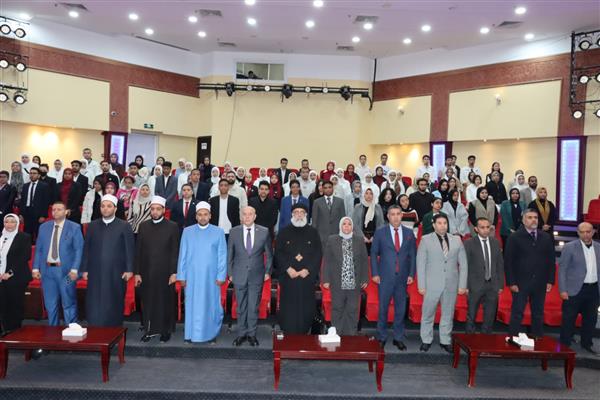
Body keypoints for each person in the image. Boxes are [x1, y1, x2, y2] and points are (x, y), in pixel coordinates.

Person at [81, 194, 135, 326]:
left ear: (115, 209)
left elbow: (130, 249)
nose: (105, 209)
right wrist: (85, 269)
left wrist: (129, 269)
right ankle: (95, 328)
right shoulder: (92, 226)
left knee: (114, 300)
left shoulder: (124, 226)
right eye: (103, 206)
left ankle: (113, 330)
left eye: (109, 206)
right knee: (94, 301)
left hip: (116, 272)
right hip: (95, 271)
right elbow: (86, 248)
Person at [177, 201, 227, 343]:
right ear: (196, 216)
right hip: (192, 276)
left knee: (211, 304)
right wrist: (181, 275)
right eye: (200, 214)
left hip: (211, 277)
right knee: (192, 304)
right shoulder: (187, 232)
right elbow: (182, 254)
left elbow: (222, 255)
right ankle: (190, 334)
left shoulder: (218, 232)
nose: (203, 217)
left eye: (205, 214)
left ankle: (211, 334)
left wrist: (221, 275)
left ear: (210, 216)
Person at [417, 214, 468, 353]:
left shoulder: (457, 240)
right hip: (431, 284)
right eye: (439, 223)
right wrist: (421, 285)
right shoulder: (425, 240)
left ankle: (445, 340)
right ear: (434, 225)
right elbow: (420, 264)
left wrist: (462, 285)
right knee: (428, 313)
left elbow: (463, 264)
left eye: (445, 223)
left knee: (448, 314)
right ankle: (426, 340)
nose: (442, 226)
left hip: (451, 284)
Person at [134, 196, 180, 343]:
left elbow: (175, 251)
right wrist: (137, 272)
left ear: (163, 210)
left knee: (165, 302)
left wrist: (174, 272)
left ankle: (165, 331)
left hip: (166, 272)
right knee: (148, 301)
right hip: (146, 271)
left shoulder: (172, 226)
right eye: (152, 209)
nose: (155, 212)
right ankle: (149, 330)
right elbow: (138, 250)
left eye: (158, 209)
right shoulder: (143, 226)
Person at [370, 205, 416, 349]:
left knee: (400, 309)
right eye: (392, 214)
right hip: (384, 277)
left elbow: (412, 255)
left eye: (398, 214)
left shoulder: (409, 233)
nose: (395, 217)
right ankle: (381, 336)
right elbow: (373, 254)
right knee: (383, 308)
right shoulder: (380, 232)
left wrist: (411, 274)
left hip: (402, 277)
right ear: (388, 216)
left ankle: (398, 337)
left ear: (402, 215)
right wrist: (375, 273)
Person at [504, 208, 555, 338]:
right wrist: (511, 282)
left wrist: (550, 280)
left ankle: (537, 339)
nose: (533, 220)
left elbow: (551, 260)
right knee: (517, 312)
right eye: (530, 217)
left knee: (538, 313)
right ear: (523, 220)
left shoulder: (546, 237)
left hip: (540, 282)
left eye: (536, 218)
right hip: (520, 283)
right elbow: (508, 262)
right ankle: (513, 338)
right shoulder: (514, 237)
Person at [32, 201, 83, 326]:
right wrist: (35, 268)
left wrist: (75, 269)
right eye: (53, 209)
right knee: (50, 304)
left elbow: (79, 250)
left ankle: (71, 329)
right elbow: (39, 249)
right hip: (47, 272)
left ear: (66, 212)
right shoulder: (44, 227)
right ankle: (52, 331)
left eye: (59, 209)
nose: (55, 212)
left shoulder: (74, 227)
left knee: (68, 302)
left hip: (67, 273)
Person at [228, 206, 273, 346]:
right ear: (241, 216)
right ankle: (241, 334)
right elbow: (229, 254)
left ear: (255, 216)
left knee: (253, 306)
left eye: (250, 214)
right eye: (244, 214)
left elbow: (269, 254)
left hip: (257, 275)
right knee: (240, 307)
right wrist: (230, 273)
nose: (247, 217)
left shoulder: (264, 231)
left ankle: (252, 335)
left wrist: (267, 272)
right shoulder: (234, 232)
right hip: (238, 274)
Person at [274, 203, 322, 333]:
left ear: (306, 215)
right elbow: (278, 253)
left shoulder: (313, 232)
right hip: (289, 277)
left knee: (306, 308)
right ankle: (288, 332)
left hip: (306, 277)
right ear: (292, 214)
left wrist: (308, 270)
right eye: (296, 212)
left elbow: (318, 253)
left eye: (302, 212)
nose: (299, 215)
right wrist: (288, 269)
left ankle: (305, 331)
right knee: (289, 308)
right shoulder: (284, 232)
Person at [322, 217, 368, 335]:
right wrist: (326, 279)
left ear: (352, 227)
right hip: (337, 281)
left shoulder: (359, 240)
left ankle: (351, 335)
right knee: (337, 308)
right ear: (340, 226)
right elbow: (327, 261)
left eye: (349, 224)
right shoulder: (332, 240)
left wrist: (364, 278)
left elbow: (364, 260)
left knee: (352, 309)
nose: (346, 226)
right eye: (344, 224)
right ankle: (336, 334)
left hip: (354, 281)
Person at [558, 222, 599, 354]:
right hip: (574, 289)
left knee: (591, 319)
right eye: (582, 232)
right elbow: (562, 270)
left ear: (593, 232)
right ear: (578, 233)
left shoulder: (598, 247)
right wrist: (563, 290)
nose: (585, 234)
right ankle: (564, 344)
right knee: (568, 319)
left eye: (588, 232)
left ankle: (587, 344)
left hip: (594, 289)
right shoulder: (570, 247)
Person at [463, 217, 504, 334]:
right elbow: (464, 266)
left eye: (488, 227)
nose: (486, 230)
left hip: (492, 285)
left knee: (489, 317)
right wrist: (466, 285)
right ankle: (469, 340)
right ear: (476, 229)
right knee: (471, 315)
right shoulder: (469, 243)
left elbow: (500, 264)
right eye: (482, 227)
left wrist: (500, 284)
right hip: (474, 285)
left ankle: (485, 340)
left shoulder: (495, 243)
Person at [0, 214, 32, 334]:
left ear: (17, 223)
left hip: (16, 277)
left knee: (14, 306)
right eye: (6, 222)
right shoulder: (0, 236)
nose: (9, 224)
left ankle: (14, 332)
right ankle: (3, 331)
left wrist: (9, 273)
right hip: (1, 277)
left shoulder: (24, 237)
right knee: (2, 305)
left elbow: (24, 257)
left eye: (12, 222)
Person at [311, 181, 346, 249]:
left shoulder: (340, 201)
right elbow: (314, 221)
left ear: (333, 188)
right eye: (325, 188)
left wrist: (343, 234)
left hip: (337, 235)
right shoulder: (317, 202)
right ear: (322, 189)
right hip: (322, 236)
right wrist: (315, 236)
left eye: (330, 187)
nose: (328, 189)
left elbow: (343, 219)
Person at [20, 167, 51, 241]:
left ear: (39, 175)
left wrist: (43, 215)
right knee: (27, 234)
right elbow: (22, 201)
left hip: (38, 213)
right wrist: (21, 214)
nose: (32, 175)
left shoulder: (44, 186)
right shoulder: (25, 186)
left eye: (34, 173)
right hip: (27, 212)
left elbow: (46, 202)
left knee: (38, 233)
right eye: (30, 173)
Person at [351, 188, 384, 254]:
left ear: (373, 195)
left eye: (371, 193)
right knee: (362, 257)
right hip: (361, 237)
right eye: (366, 193)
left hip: (375, 237)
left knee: (374, 256)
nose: (369, 195)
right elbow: (354, 223)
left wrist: (375, 236)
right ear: (363, 195)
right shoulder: (358, 207)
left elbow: (381, 223)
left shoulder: (378, 207)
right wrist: (362, 237)